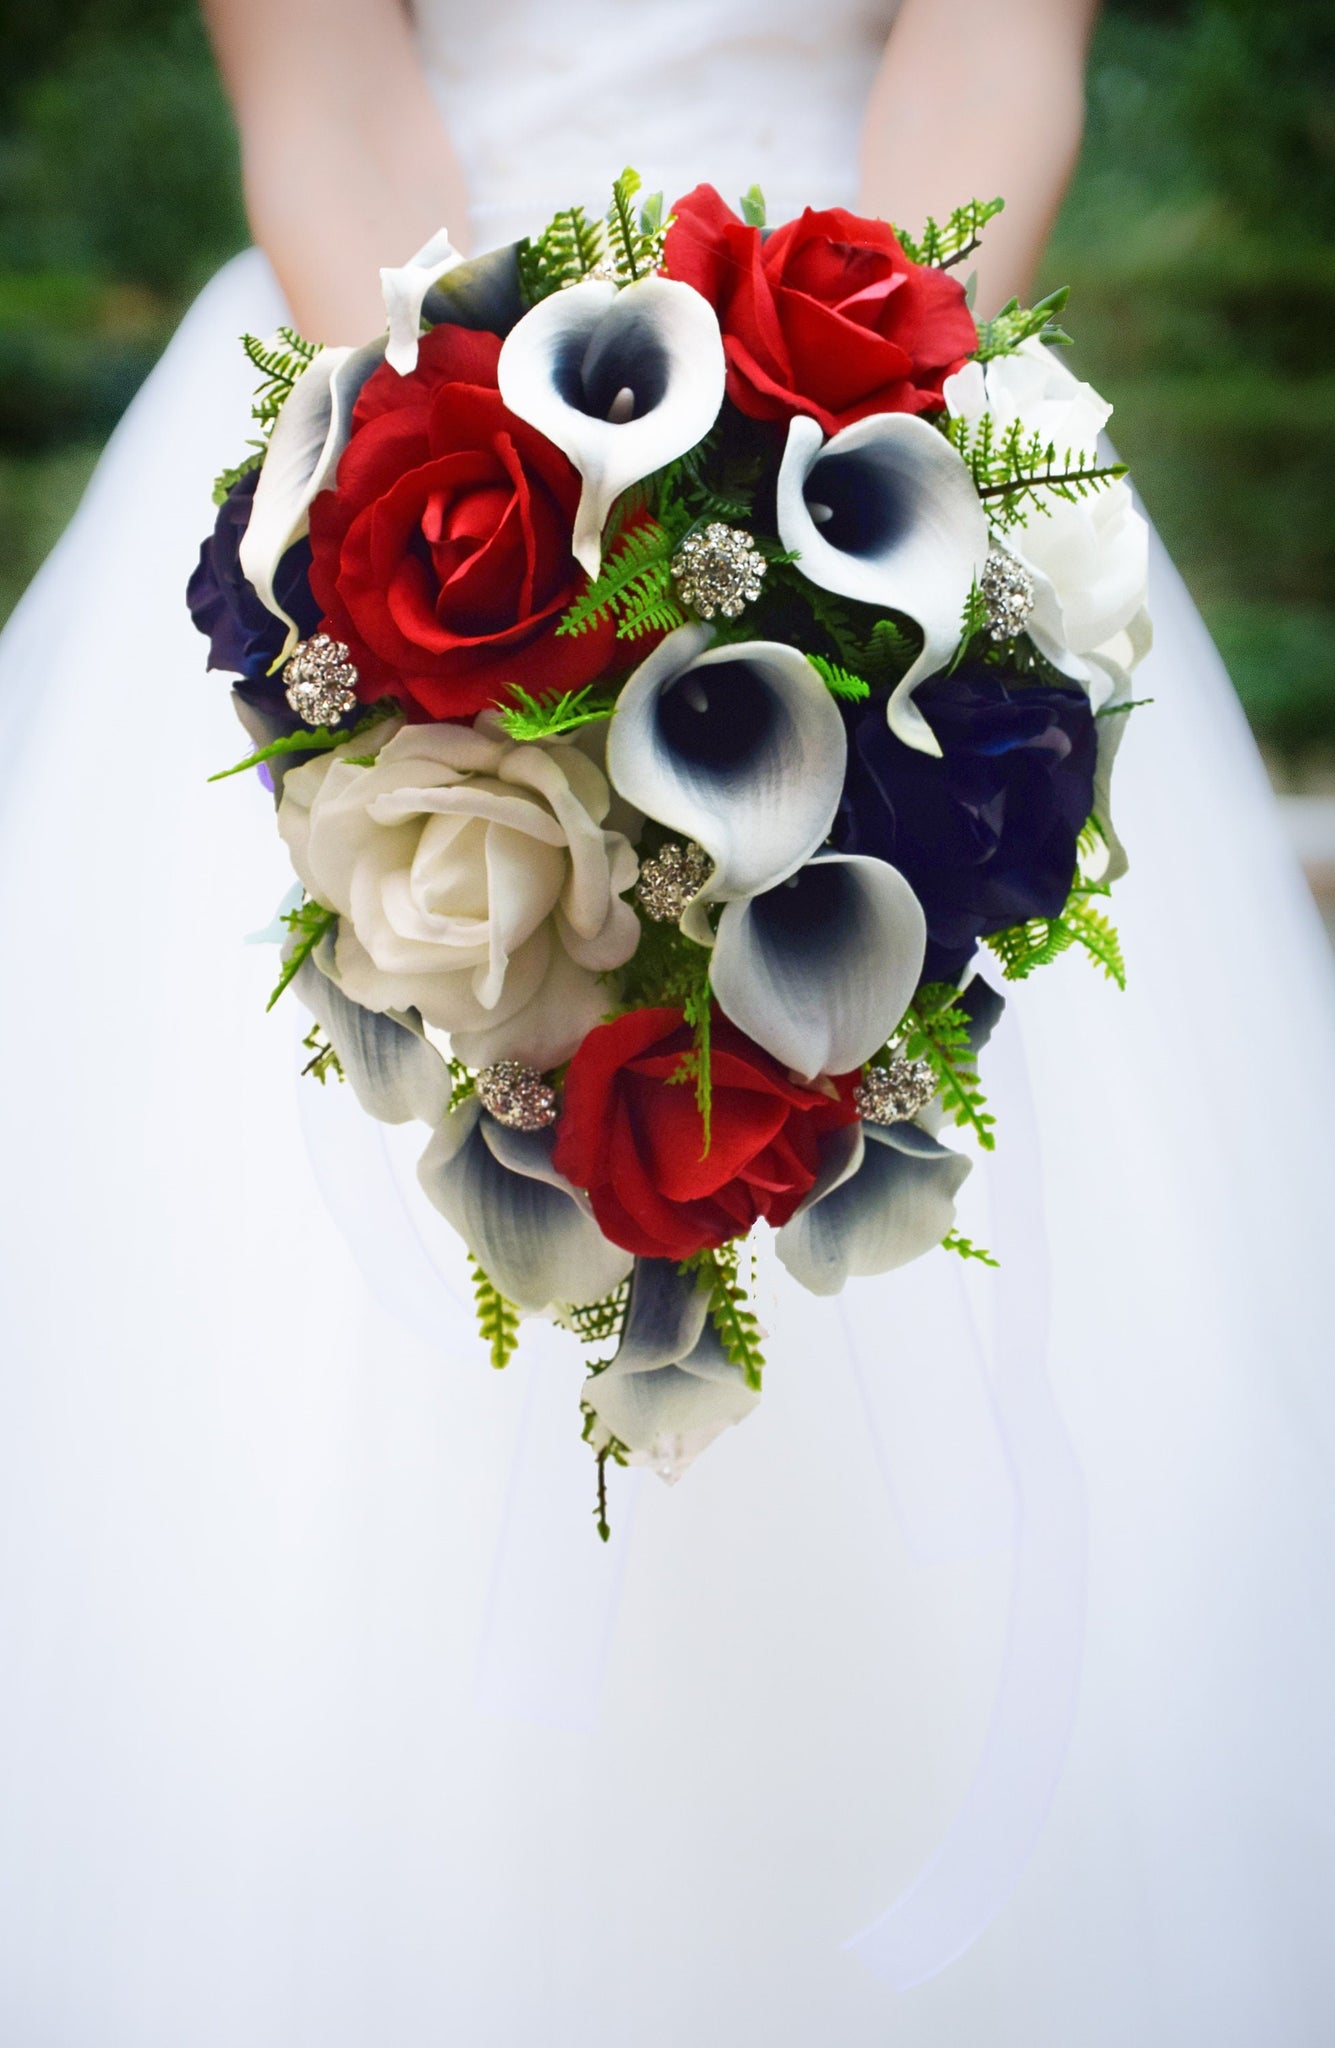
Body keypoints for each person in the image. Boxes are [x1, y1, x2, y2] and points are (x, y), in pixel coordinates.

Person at [1, 2, 1333, 2042]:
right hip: (398, 406)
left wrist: (820, 516)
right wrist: (512, 544)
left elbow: (985, 62)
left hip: (868, 375)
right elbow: (326, 91)